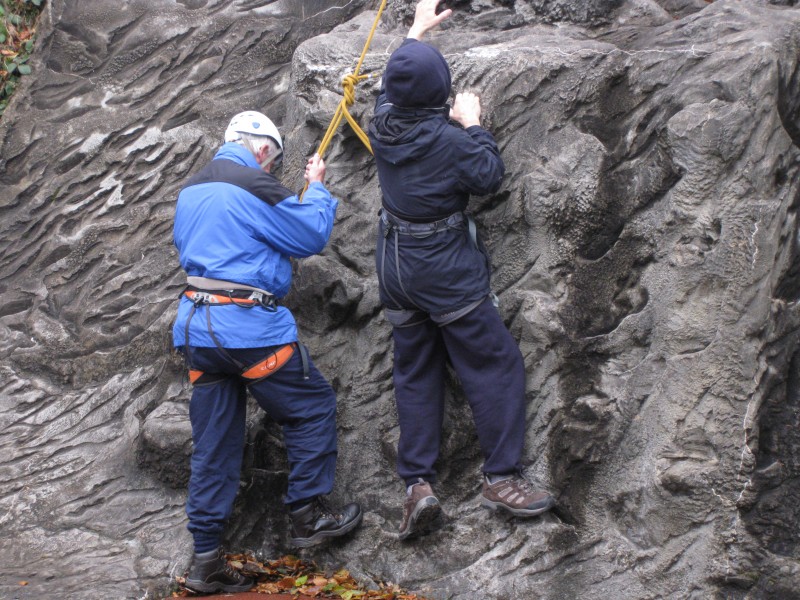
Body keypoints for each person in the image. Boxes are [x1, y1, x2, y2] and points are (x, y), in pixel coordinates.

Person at [367, 0, 555, 540]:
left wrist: (415, 33)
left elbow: (390, 85)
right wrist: (473, 123)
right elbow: (488, 176)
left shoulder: (382, 125)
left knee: (415, 369)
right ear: (441, 97)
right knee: (493, 362)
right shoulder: (450, 142)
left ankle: (417, 485)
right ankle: (500, 476)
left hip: (395, 267)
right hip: (443, 267)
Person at [172, 111, 362, 593]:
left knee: (215, 444)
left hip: (197, 330)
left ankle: (206, 560)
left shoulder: (190, 190)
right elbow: (309, 235)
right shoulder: (256, 184)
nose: (272, 171)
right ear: (262, 150)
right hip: (249, 330)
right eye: (273, 162)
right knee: (311, 406)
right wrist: (316, 186)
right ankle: (307, 513)